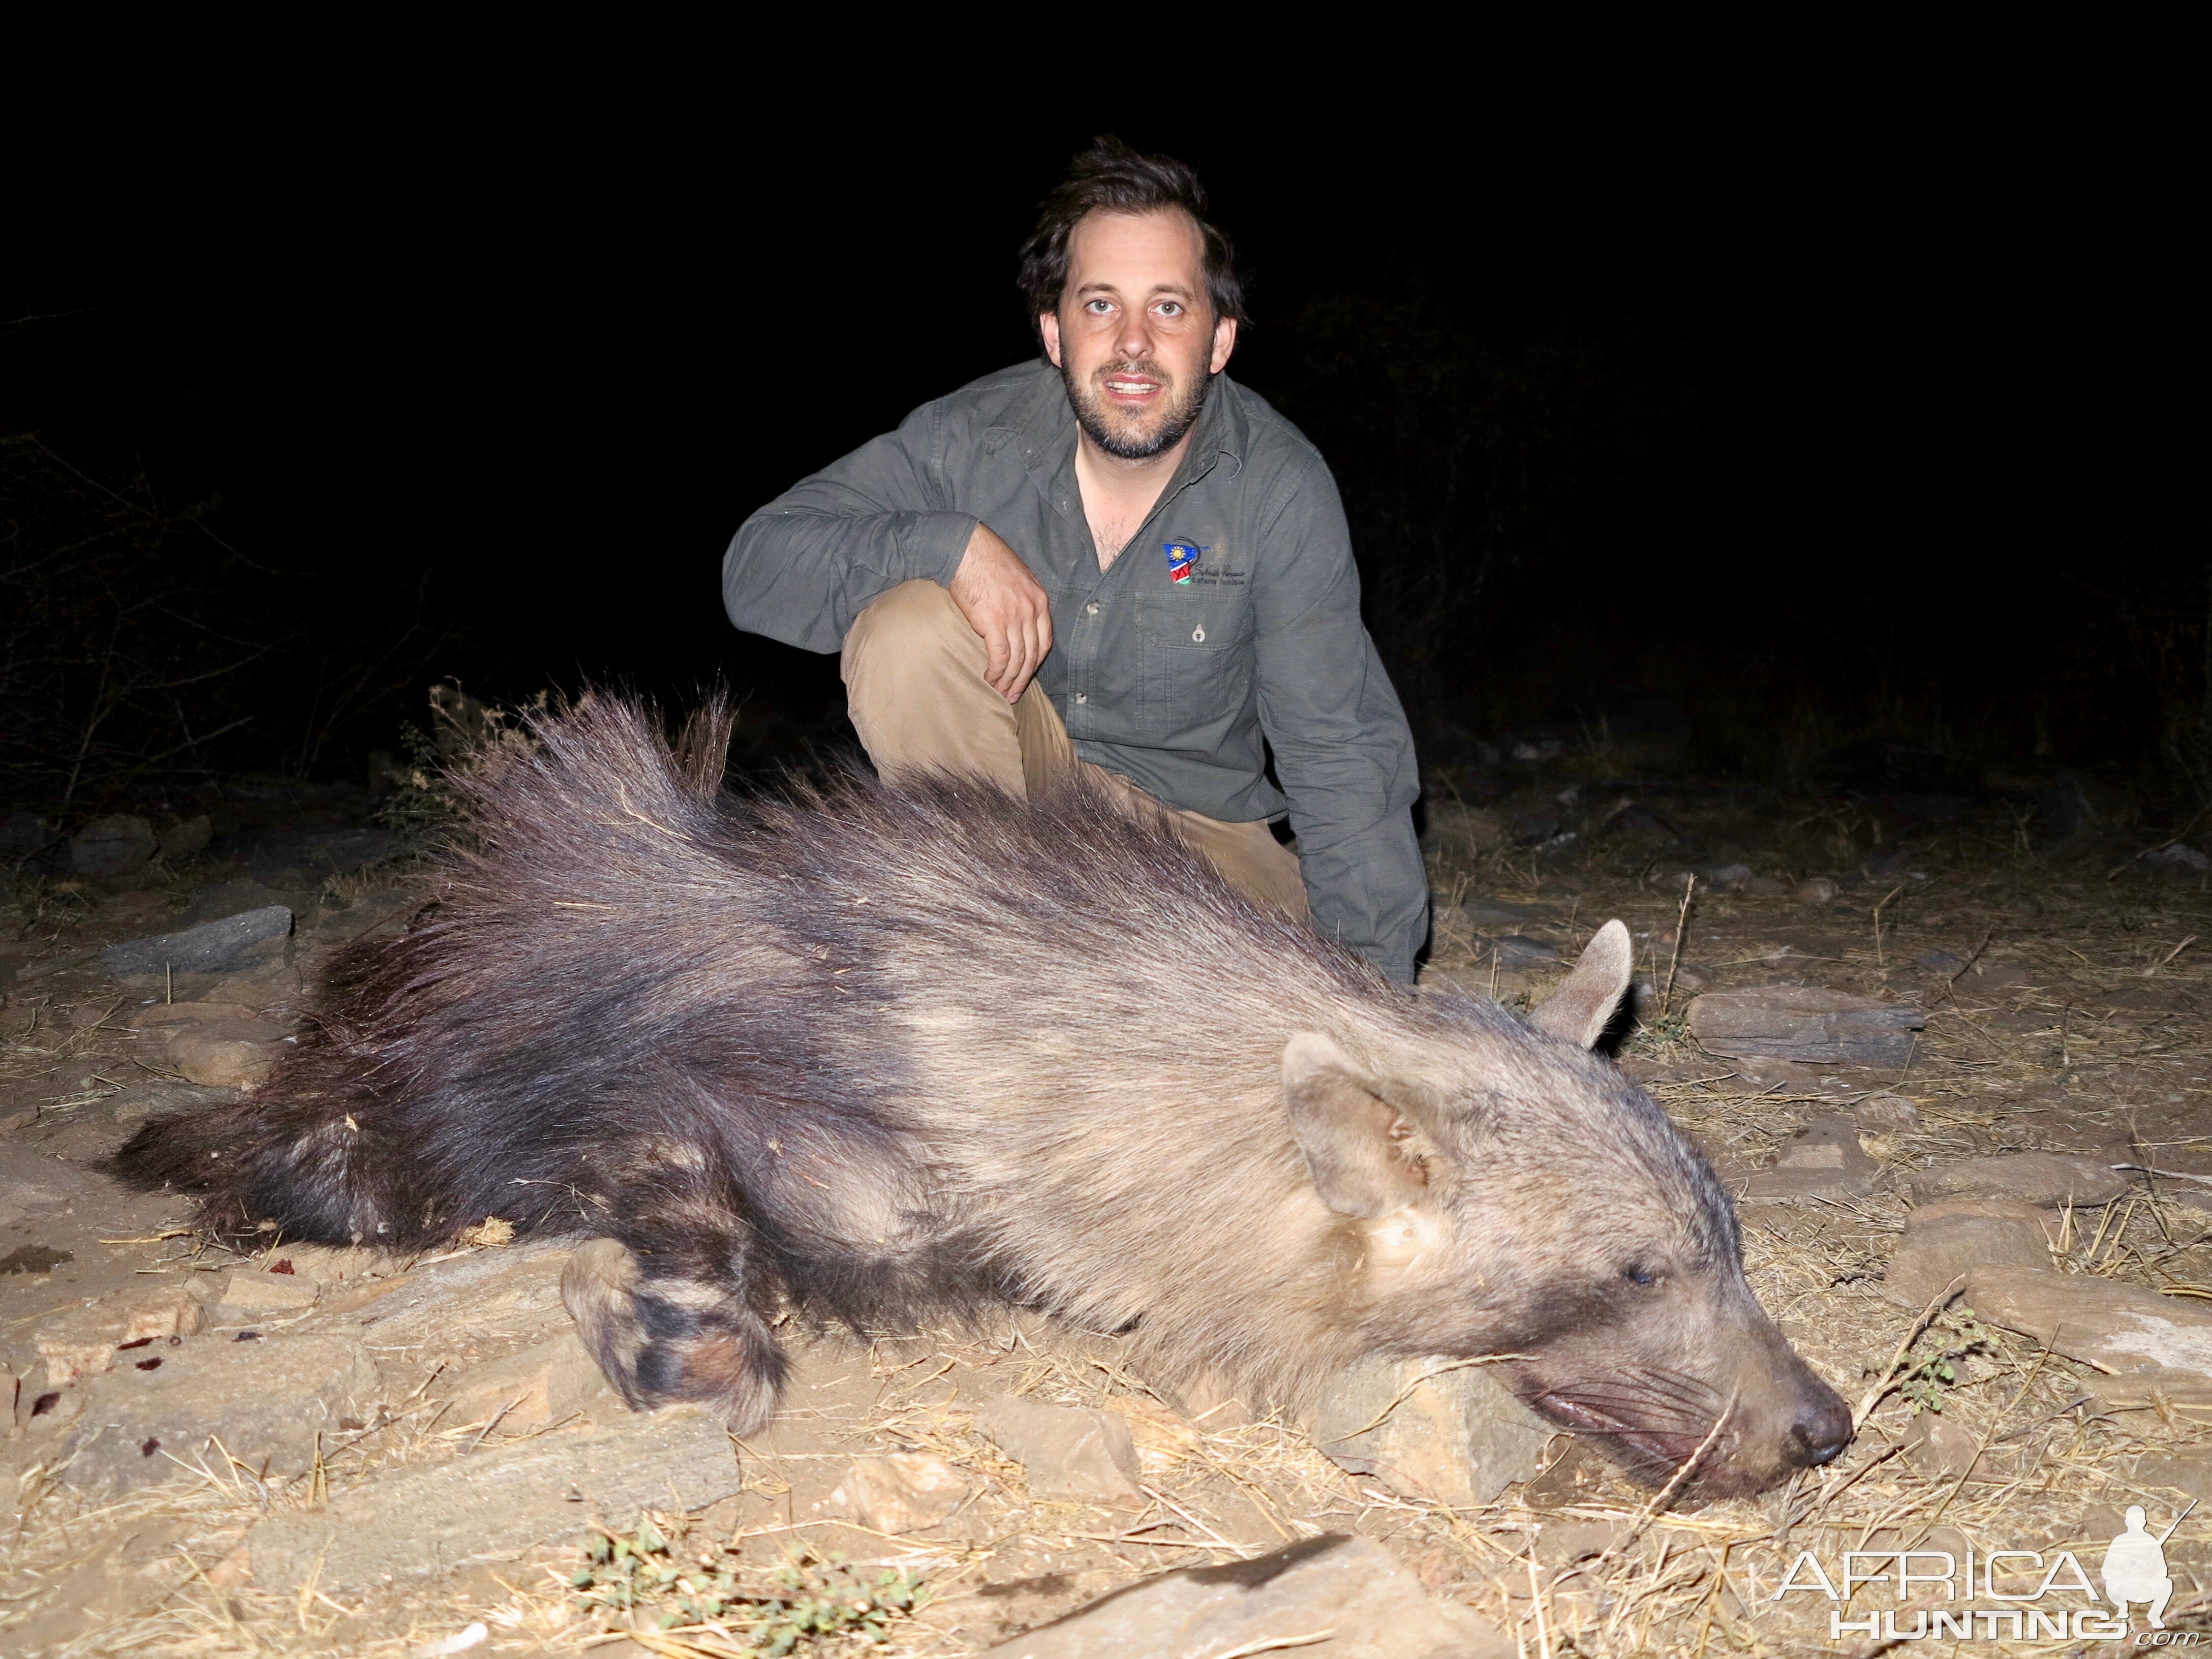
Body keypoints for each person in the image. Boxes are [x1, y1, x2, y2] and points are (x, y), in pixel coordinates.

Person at [722, 138, 1427, 982]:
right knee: (907, 626)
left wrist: (1375, 992)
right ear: (1055, 332)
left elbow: (1338, 747)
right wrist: (942, 545)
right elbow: (758, 563)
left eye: (1168, 307)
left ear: (1219, 339)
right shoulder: (969, 437)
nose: (1132, 342)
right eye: (1100, 305)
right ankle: (980, 965)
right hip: (1009, 826)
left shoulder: (1276, 484)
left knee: (1269, 1017)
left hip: (1199, 845)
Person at [2100, 1504, 2173, 1629]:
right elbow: (2107, 1570)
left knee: (2167, 1584)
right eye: (2134, 1520)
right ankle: (2122, 1609)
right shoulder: (2120, 1541)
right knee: (2111, 1584)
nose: (2137, 1524)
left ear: (2144, 1522)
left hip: (2145, 1587)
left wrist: (2149, 1570)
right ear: (2127, 1522)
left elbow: (2162, 1570)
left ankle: (2155, 1615)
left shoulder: (2151, 1541)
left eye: (2139, 1520)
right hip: (2124, 1587)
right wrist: (2126, 1570)